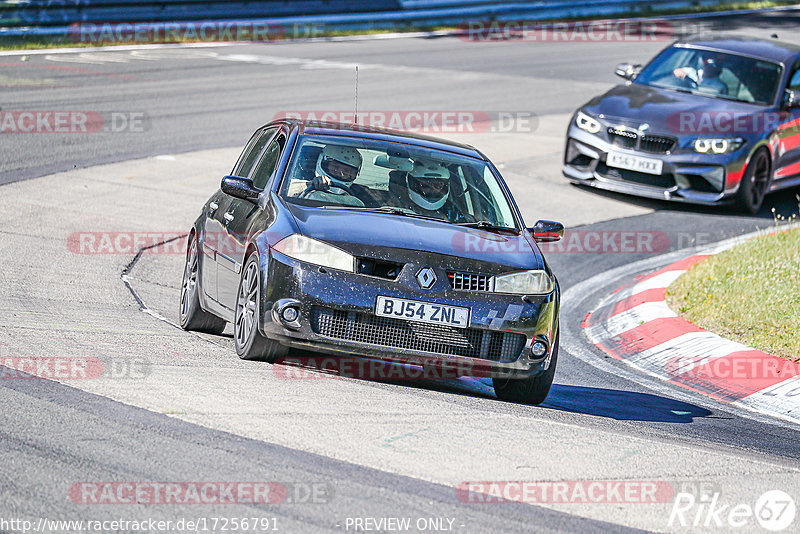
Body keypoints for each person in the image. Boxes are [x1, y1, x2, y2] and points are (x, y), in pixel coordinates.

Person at [303, 144, 368, 207]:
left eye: (346, 171)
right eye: (335, 167)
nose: (341, 174)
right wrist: (309, 185)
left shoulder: (355, 201)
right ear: (323, 164)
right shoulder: (301, 184)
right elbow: (293, 191)